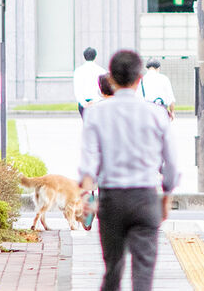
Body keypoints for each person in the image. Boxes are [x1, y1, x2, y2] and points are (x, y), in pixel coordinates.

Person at [78, 49, 180, 291]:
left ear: (110, 79)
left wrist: (85, 196)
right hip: (145, 198)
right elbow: (172, 164)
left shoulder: (95, 114)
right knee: (143, 272)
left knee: (113, 268)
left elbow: (88, 162)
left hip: (111, 199)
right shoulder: (157, 113)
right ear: (139, 79)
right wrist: (166, 196)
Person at [74, 48, 107, 118]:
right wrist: (95, 101)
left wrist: (83, 102)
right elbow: (103, 89)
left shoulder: (78, 71)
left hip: (83, 104)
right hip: (98, 102)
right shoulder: (101, 71)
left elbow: (77, 88)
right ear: (95, 56)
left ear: (84, 56)